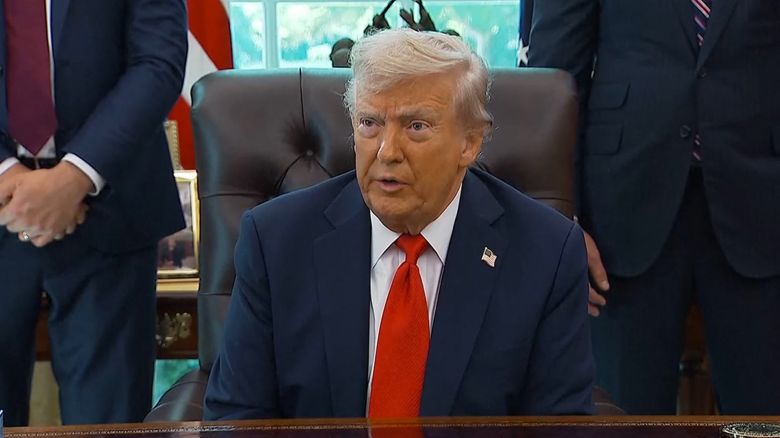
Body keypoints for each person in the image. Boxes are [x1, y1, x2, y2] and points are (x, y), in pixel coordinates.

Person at [204, 28, 594, 420]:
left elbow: (560, 425)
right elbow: (234, 418)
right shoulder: (276, 242)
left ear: (470, 143)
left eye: (416, 126)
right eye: (369, 123)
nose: (387, 151)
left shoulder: (547, 253)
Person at [528, 0, 780, 414]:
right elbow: (554, 76)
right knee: (625, 417)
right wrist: (561, 225)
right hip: (620, 211)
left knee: (763, 420)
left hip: (762, 204)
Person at [0, 0, 187, 425]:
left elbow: (157, 60)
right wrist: (5, 172)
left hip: (111, 210)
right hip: (3, 201)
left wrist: (76, 176)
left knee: (106, 425)